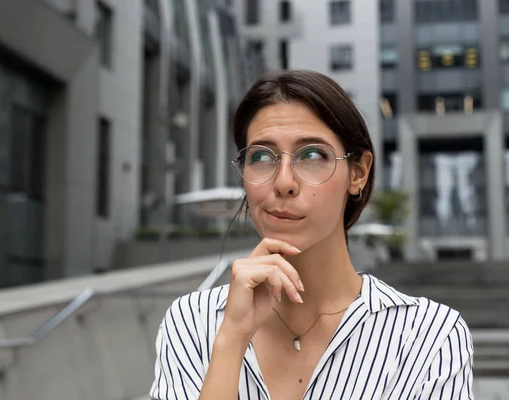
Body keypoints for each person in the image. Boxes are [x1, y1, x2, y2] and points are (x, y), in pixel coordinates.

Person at [149, 70, 474, 399]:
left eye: (313, 155)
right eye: (261, 156)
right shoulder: (191, 322)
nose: (284, 182)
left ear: (358, 173)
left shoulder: (429, 337)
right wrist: (231, 339)